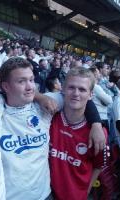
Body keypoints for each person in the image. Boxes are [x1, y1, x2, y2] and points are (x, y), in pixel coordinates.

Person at [0, 57, 105, 200]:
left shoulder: (47, 107)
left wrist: (96, 124)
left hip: (45, 195)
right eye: (21, 81)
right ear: (5, 87)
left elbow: (82, 98)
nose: (30, 86)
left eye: (31, 80)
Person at [49, 67, 108, 200]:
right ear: (63, 89)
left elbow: (98, 166)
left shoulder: (98, 132)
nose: (76, 93)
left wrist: (85, 192)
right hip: (45, 194)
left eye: (82, 89)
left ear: (91, 95)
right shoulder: (49, 118)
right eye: (71, 87)